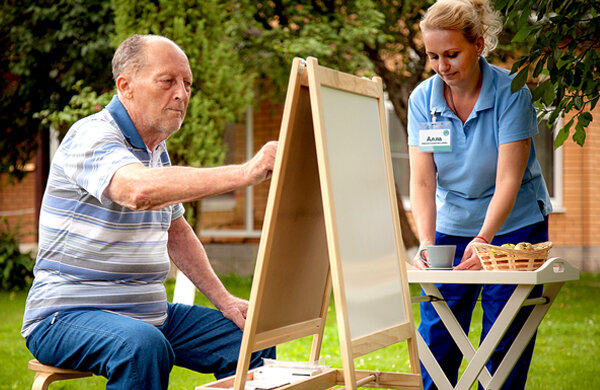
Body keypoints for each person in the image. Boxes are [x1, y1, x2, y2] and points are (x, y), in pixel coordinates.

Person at [22, 34, 277, 390]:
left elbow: (177, 233)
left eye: (187, 84)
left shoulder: (156, 150)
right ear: (125, 86)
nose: (182, 93)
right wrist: (245, 172)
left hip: (148, 315)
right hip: (64, 315)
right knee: (142, 345)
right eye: (168, 81)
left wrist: (226, 301)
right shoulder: (91, 136)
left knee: (254, 337)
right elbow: (137, 190)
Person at [407, 0, 552, 389]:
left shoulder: (512, 92)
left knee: (504, 335)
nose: (442, 66)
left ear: (480, 44)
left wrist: (484, 239)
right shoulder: (422, 100)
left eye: (452, 54)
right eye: (433, 56)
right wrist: (424, 241)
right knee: (439, 334)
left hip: (514, 224)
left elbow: (508, 179)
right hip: (452, 223)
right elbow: (422, 182)